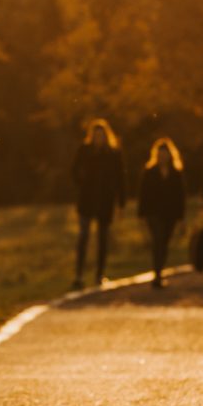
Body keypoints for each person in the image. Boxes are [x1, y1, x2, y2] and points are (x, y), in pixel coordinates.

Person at [71, 120, 127, 288]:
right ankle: (79, 275)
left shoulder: (114, 154)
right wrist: (82, 182)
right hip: (86, 200)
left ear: (106, 136)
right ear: (92, 136)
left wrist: (121, 202)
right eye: (96, 136)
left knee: (103, 239)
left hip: (105, 201)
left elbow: (121, 179)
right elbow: (73, 170)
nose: (99, 139)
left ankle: (99, 274)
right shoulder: (84, 151)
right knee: (84, 236)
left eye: (101, 136)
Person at [137, 138, 186, 289]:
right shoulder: (149, 172)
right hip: (154, 213)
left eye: (165, 154)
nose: (162, 157)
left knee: (164, 243)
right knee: (157, 241)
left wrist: (181, 218)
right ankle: (157, 274)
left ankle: (159, 271)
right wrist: (141, 214)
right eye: (160, 154)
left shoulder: (176, 173)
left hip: (170, 214)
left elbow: (180, 196)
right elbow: (143, 194)